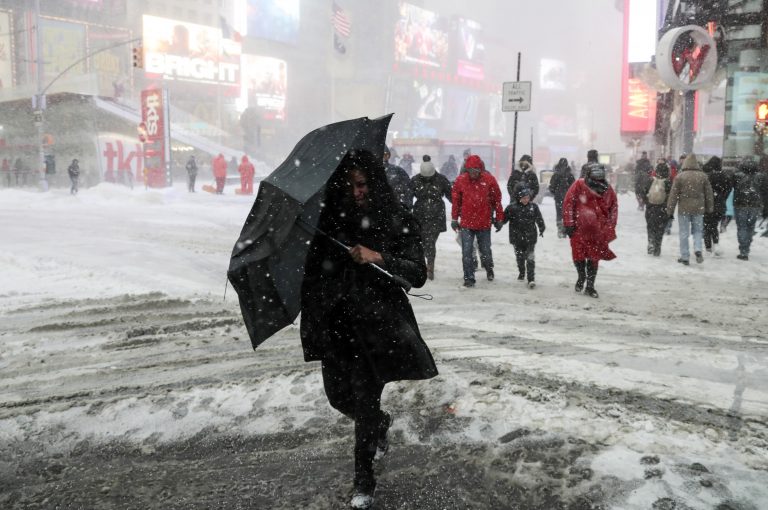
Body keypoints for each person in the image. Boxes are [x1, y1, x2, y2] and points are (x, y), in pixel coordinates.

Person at [300, 149, 437, 510]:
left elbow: (417, 273)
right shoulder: (328, 224)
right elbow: (313, 274)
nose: (356, 192)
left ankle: (364, 480)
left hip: (375, 326)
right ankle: (380, 422)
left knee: (363, 399)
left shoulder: (395, 219)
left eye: (361, 184)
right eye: (349, 185)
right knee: (337, 397)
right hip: (335, 325)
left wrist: (378, 256)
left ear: (373, 184)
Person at [563, 164, 618, 298]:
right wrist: (569, 224)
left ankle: (590, 286)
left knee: (594, 258)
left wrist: (609, 227)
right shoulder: (578, 185)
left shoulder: (607, 190)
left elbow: (613, 209)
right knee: (579, 255)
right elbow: (569, 203)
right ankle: (581, 277)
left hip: (597, 231)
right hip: (578, 229)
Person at [451, 155, 504, 287]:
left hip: (484, 222)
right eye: (471, 170)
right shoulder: (461, 181)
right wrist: (454, 218)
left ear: (480, 169)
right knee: (467, 252)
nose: (474, 173)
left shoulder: (489, 180)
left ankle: (488, 267)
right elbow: (456, 201)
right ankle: (469, 277)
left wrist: (499, 218)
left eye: (476, 170)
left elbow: (497, 201)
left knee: (485, 250)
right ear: (467, 170)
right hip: (466, 223)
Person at [665, 154, 714, 265]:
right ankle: (697, 249)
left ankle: (685, 256)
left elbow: (673, 195)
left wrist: (670, 211)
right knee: (698, 231)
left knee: (684, 233)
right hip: (699, 208)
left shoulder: (680, 176)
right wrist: (710, 208)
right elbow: (709, 194)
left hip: (684, 208)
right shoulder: (703, 176)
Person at [411, 154, 452, 280]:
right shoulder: (415, 180)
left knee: (429, 241)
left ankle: (429, 267)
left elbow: (451, 196)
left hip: (436, 216)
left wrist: (459, 208)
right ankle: (426, 265)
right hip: (420, 216)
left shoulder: (441, 179)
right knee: (423, 242)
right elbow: (408, 196)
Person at [497, 186, 545, 288]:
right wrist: (498, 224)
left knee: (530, 258)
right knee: (520, 257)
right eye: (523, 198)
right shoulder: (511, 208)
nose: (525, 200)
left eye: (527, 197)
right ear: (519, 198)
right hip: (516, 238)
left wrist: (542, 228)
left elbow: (539, 219)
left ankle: (531, 279)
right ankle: (522, 271)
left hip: (530, 237)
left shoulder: (534, 207)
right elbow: (504, 219)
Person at [731, 157, 767, 260]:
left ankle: (743, 250)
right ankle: (747, 245)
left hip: (740, 204)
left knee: (742, 226)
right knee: (750, 226)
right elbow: (764, 191)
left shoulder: (737, 176)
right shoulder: (761, 177)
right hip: (755, 205)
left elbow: (731, 187)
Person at [642, 161, 673, 257]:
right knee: (660, 228)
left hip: (651, 208)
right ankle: (657, 247)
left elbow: (643, 193)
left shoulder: (650, 180)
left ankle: (651, 241)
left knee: (650, 226)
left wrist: (647, 203)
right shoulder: (668, 182)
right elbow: (671, 197)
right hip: (662, 209)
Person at [702, 156, 732, 255]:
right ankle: (715, 243)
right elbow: (728, 189)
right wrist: (723, 197)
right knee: (714, 225)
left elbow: (703, 190)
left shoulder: (708, 176)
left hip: (708, 204)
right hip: (720, 205)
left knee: (707, 226)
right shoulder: (725, 176)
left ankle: (708, 247)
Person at [548, 157, 575, 238]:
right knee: (567, 214)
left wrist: (555, 193)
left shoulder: (556, 175)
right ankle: (566, 229)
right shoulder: (570, 175)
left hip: (558, 197)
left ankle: (560, 229)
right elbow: (574, 186)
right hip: (568, 198)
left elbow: (552, 187)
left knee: (559, 214)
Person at [383, 146, 413, 210]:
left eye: (385, 155)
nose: (383, 157)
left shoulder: (397, 171)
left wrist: (406, 207)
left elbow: (408, 190)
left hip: (394, 209)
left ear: (388, 156)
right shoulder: (370, 172)